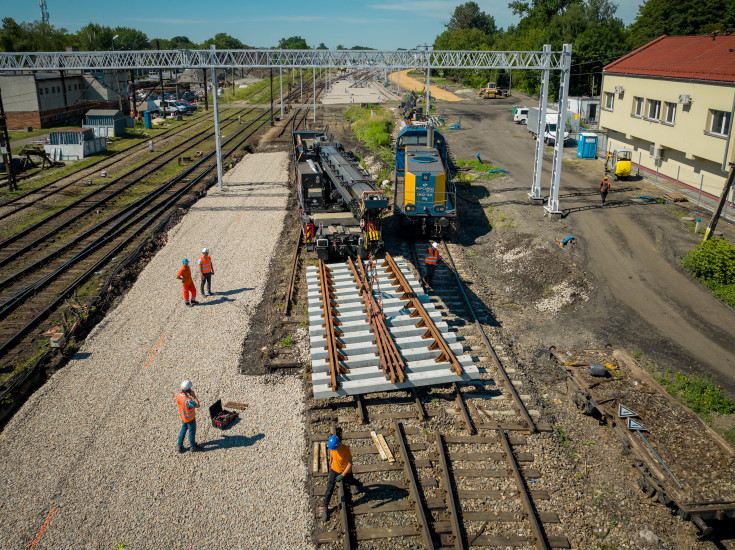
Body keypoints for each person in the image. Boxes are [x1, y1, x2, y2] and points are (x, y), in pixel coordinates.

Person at [321, 435, 363, 520]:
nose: (332, 450)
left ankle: (358, 484)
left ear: (338, 444)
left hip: (345, 471)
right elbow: (331, 452)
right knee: (329, 488)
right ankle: (325, 507)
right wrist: (330, 459)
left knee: (350, 481)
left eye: (333, 448)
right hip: (334, 469)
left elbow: (350, 464)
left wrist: (342, 475)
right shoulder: (332, 446)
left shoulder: (346, 450)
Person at [175, 380, 202, 453]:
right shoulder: (188, 401)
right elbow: (198, 405)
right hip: (190, 418)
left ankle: (179, 446)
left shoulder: (177, 395)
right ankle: (193, 446)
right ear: (188, 390)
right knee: (191, 432)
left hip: (183, 417)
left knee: (183, 429)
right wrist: (194, 396)